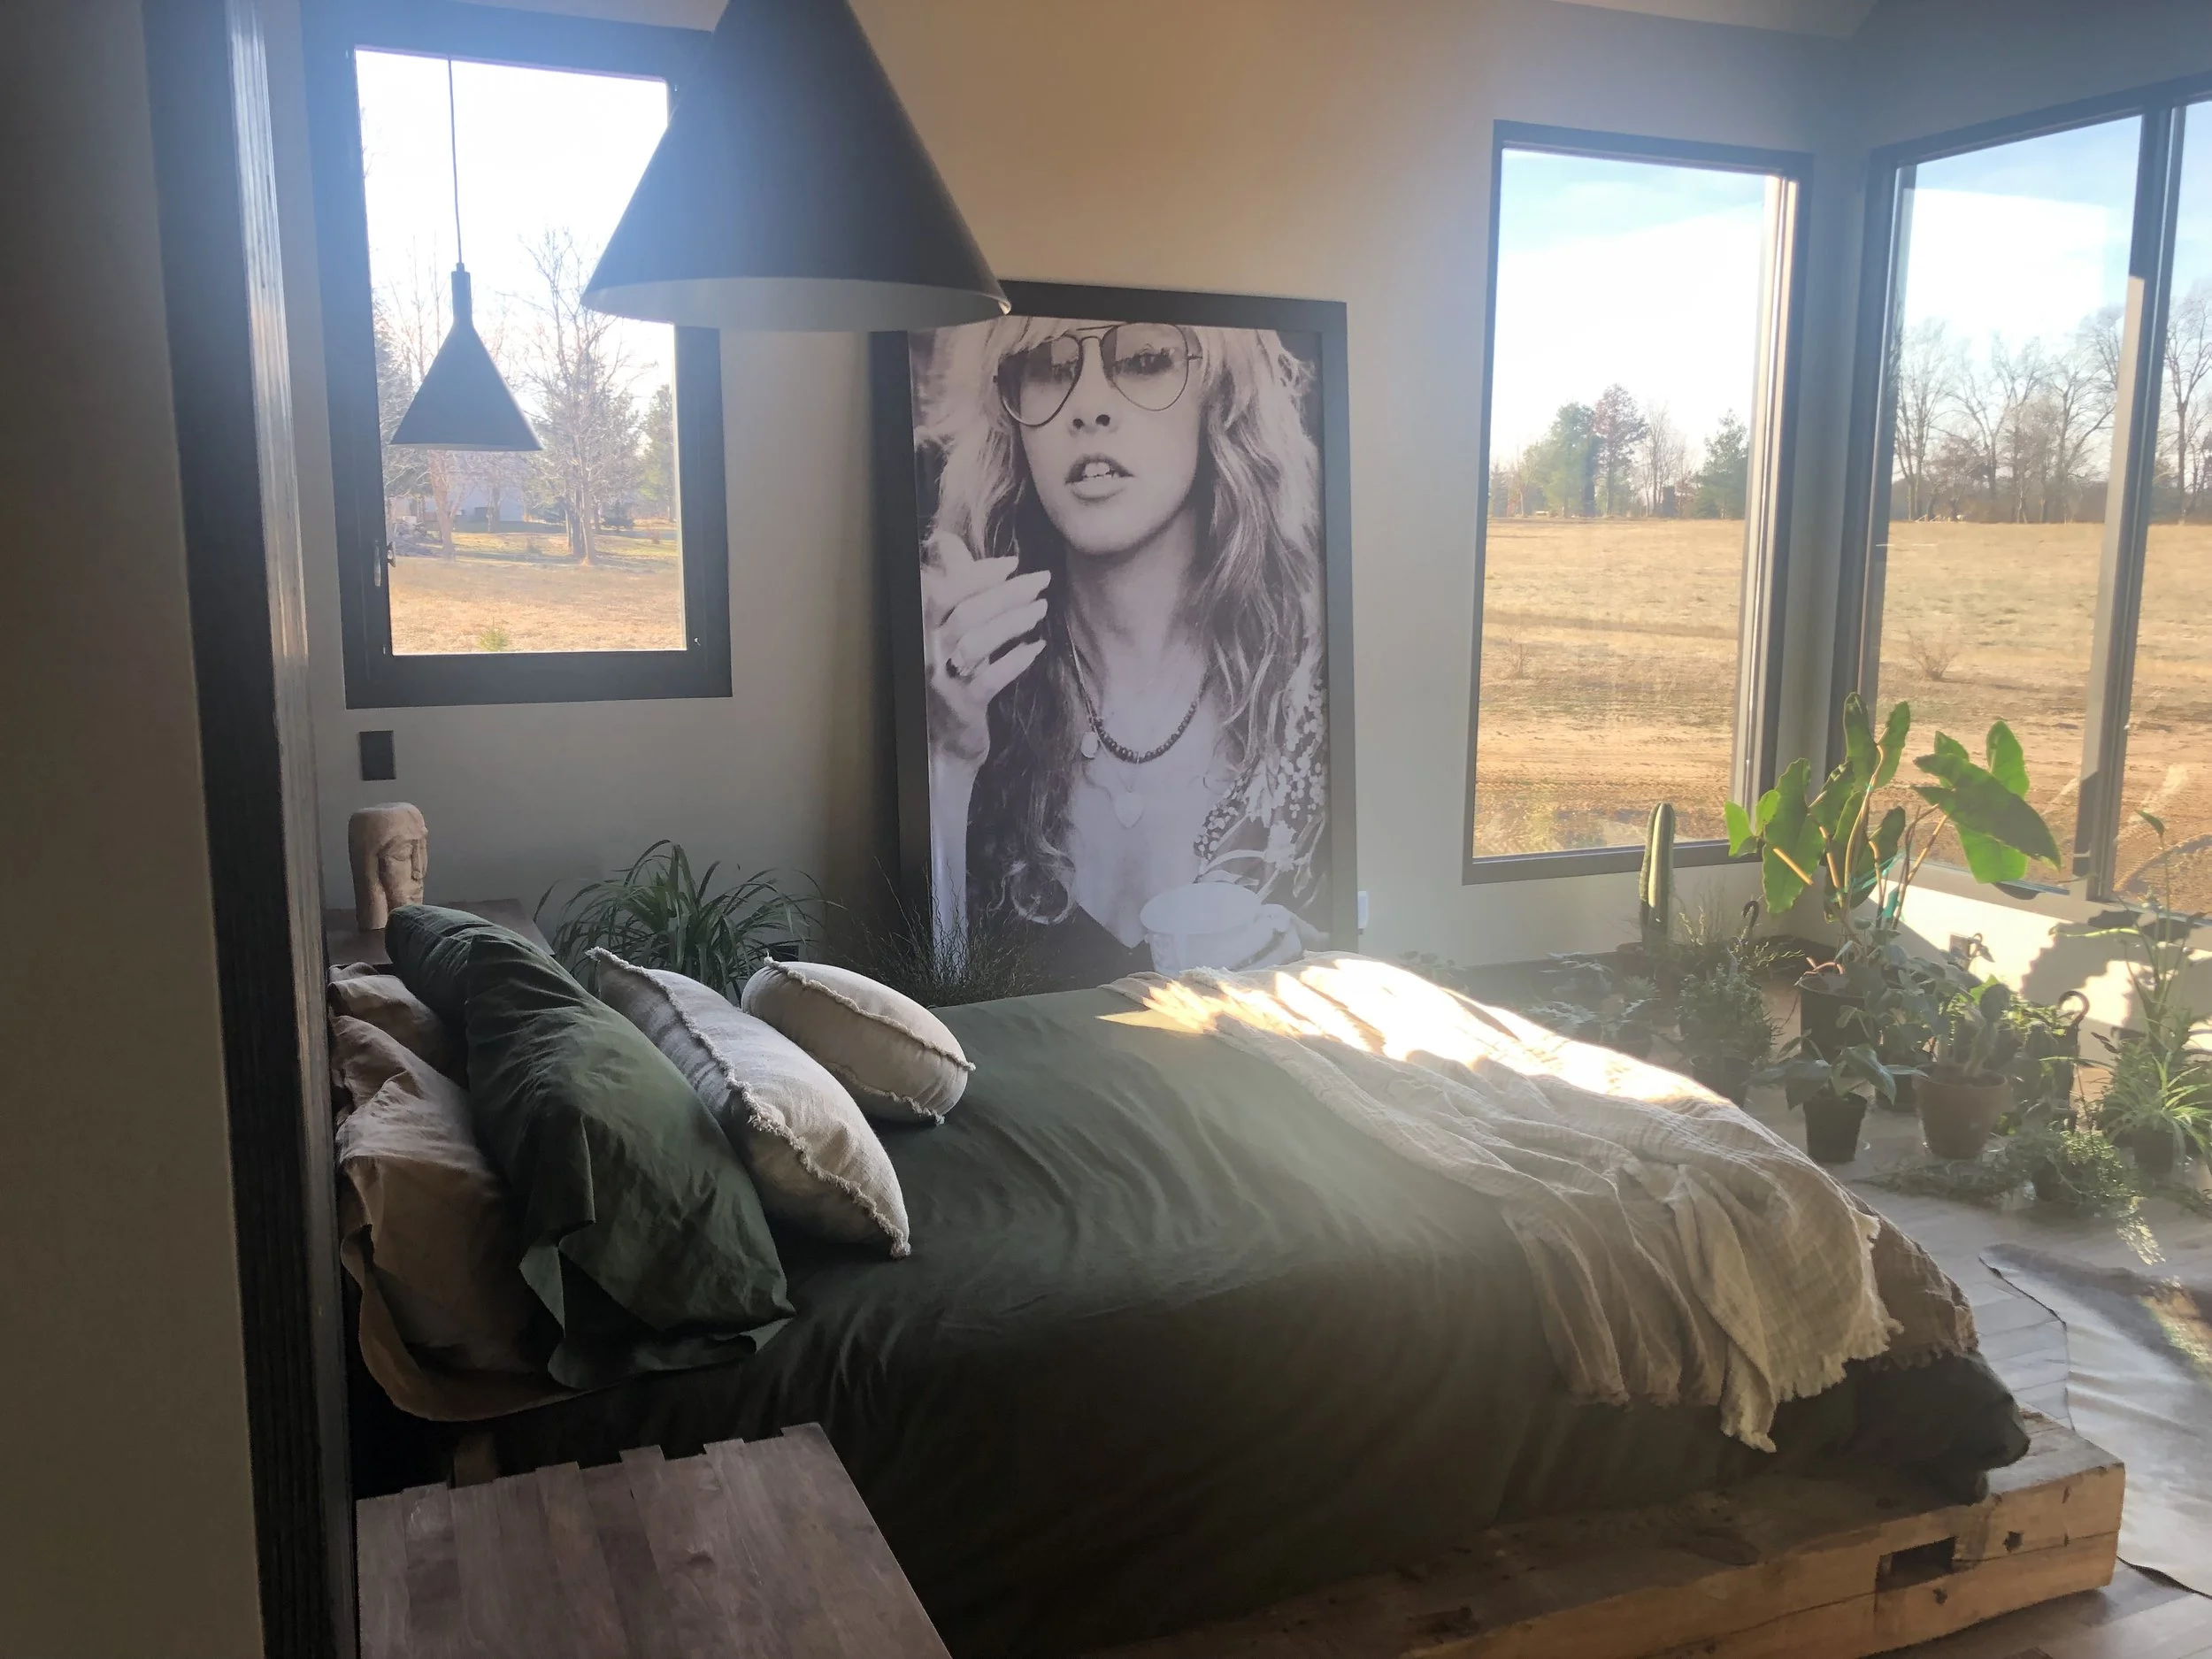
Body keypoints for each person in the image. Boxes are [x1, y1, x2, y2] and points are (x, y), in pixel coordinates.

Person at [914, 312, 1328, 987]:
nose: (1090, 408)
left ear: (1219, 396)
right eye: (1049, 368)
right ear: (1012, 422)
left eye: (1143, 361)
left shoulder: (1308, 684)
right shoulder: (960, 680)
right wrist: (948, 759)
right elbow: (934, 1010)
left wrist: (1295, 964)